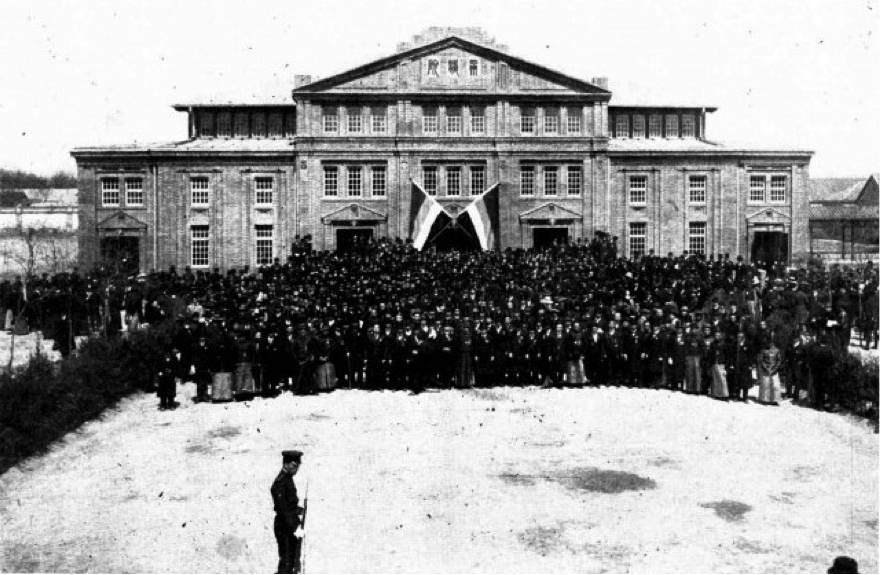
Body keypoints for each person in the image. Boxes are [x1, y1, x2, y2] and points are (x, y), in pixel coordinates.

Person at [271, 450, 305, 575]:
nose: (296, 469)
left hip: (289, 525)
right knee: (286, 562)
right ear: (286, 464)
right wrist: (295, 528)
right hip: (285, 527)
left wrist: (300, 510)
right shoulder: (280, 483)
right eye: (294, 466)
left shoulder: (288, 479)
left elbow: (290, 505)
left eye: (298, 466)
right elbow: (283, 510)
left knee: (291, 562)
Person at [757, 337, 783, 405]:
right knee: (766, 385)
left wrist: (775, 368)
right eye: (769, 343)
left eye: (771, 343)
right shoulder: (764, 350)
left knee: (775, 386)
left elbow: (779, 360)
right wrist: (765, 368)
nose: (770, 345)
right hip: (766, 370)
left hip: (774, 370)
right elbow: (761, 360)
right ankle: (765, 399)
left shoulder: (777, 350)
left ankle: (775, 400)